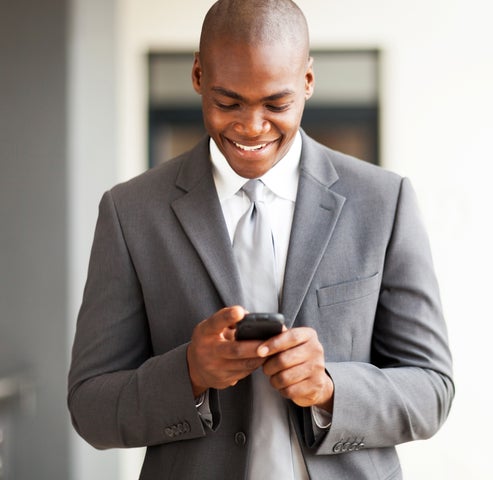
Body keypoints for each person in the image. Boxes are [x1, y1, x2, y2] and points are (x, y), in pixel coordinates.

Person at [67, 0, 454, 478]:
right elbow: (90, 406)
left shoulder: (383, 201)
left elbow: (432, 389)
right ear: (197, 76)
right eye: (228, 102)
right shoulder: (131, 212)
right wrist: (188, 373)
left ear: (308, 82)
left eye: (277, 103)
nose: (251, 127)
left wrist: (331, 388)